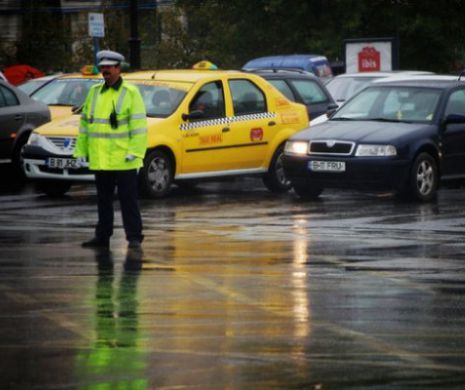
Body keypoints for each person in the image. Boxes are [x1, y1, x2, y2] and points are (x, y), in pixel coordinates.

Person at [74, 50, 148, 249]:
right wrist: (80, 151)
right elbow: (85, 126)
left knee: (128, 201)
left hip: (124, 158)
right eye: (102, 67)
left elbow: (139, 127)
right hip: (101, 158)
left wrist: (136, 151)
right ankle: (102, 236)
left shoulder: (131, 93)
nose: (105, 71)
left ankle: (134, 238)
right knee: (103, 200)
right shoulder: (95, 92)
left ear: (118, 68)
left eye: (109, 67)